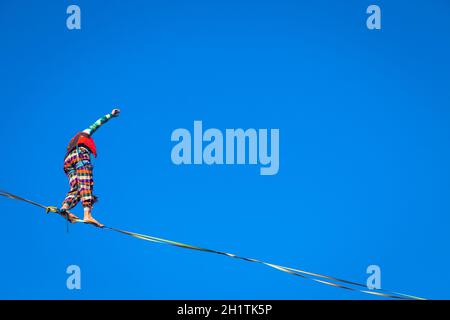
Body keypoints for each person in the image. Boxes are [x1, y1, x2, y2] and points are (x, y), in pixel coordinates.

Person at [59, 109, 120, 227]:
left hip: (67, 162)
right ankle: (87, 214)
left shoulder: (70, 146)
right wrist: (110, 115)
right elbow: (96, 124)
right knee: (86, 182)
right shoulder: (83, 134)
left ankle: (64, 208)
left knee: (76, 188)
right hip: (80, 155)